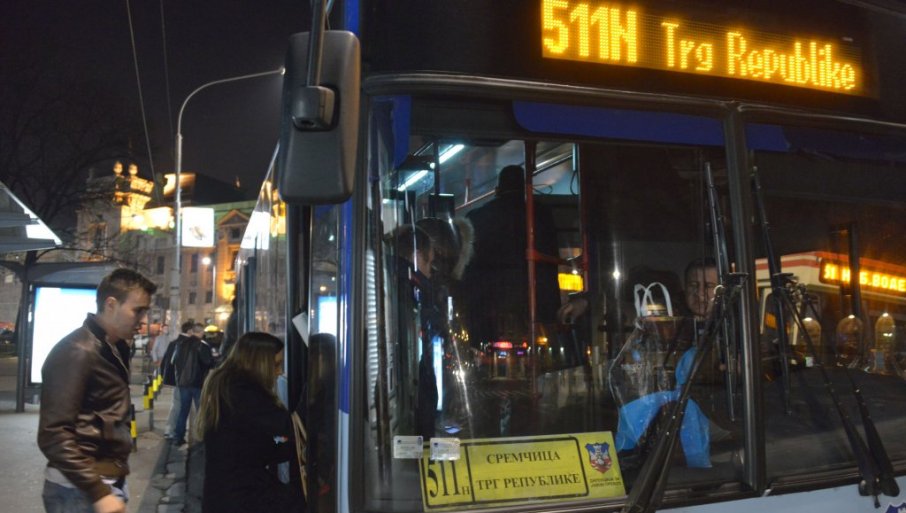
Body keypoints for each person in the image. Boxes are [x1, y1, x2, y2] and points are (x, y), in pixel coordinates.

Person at [38, 268, 157, 513]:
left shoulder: (111, 347)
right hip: (78, 489)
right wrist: (98, 492)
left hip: (98, 483)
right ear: (111, 304)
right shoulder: (78, 350)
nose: (144, 320)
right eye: (138, 310)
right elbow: (53, 434)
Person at [196, 332, 304, 513]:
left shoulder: (229, 386)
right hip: (242, 498)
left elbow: (258, 447)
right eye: (276, 365)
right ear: (259, 364)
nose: (279, 372)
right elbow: (286, 428)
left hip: (225, 496)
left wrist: (289, 445)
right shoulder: (244, 394)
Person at [463, 165, 560, 348]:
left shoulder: (477, 217)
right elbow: (550, 263)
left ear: (497, 190)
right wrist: (551, 312)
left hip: (488, 307)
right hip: (533, 306)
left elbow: (469, 268)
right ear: (525, 188)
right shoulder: (541, 215)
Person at [171, 322, 216, 446]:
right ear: (201, 332)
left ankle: (178, 437)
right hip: (198, 383)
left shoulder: (180, 344)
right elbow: (208, 362)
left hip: (183, 383)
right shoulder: (202, 345)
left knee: (183, 410)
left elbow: (173, 361)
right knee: (201, 411)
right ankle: (203, 437)